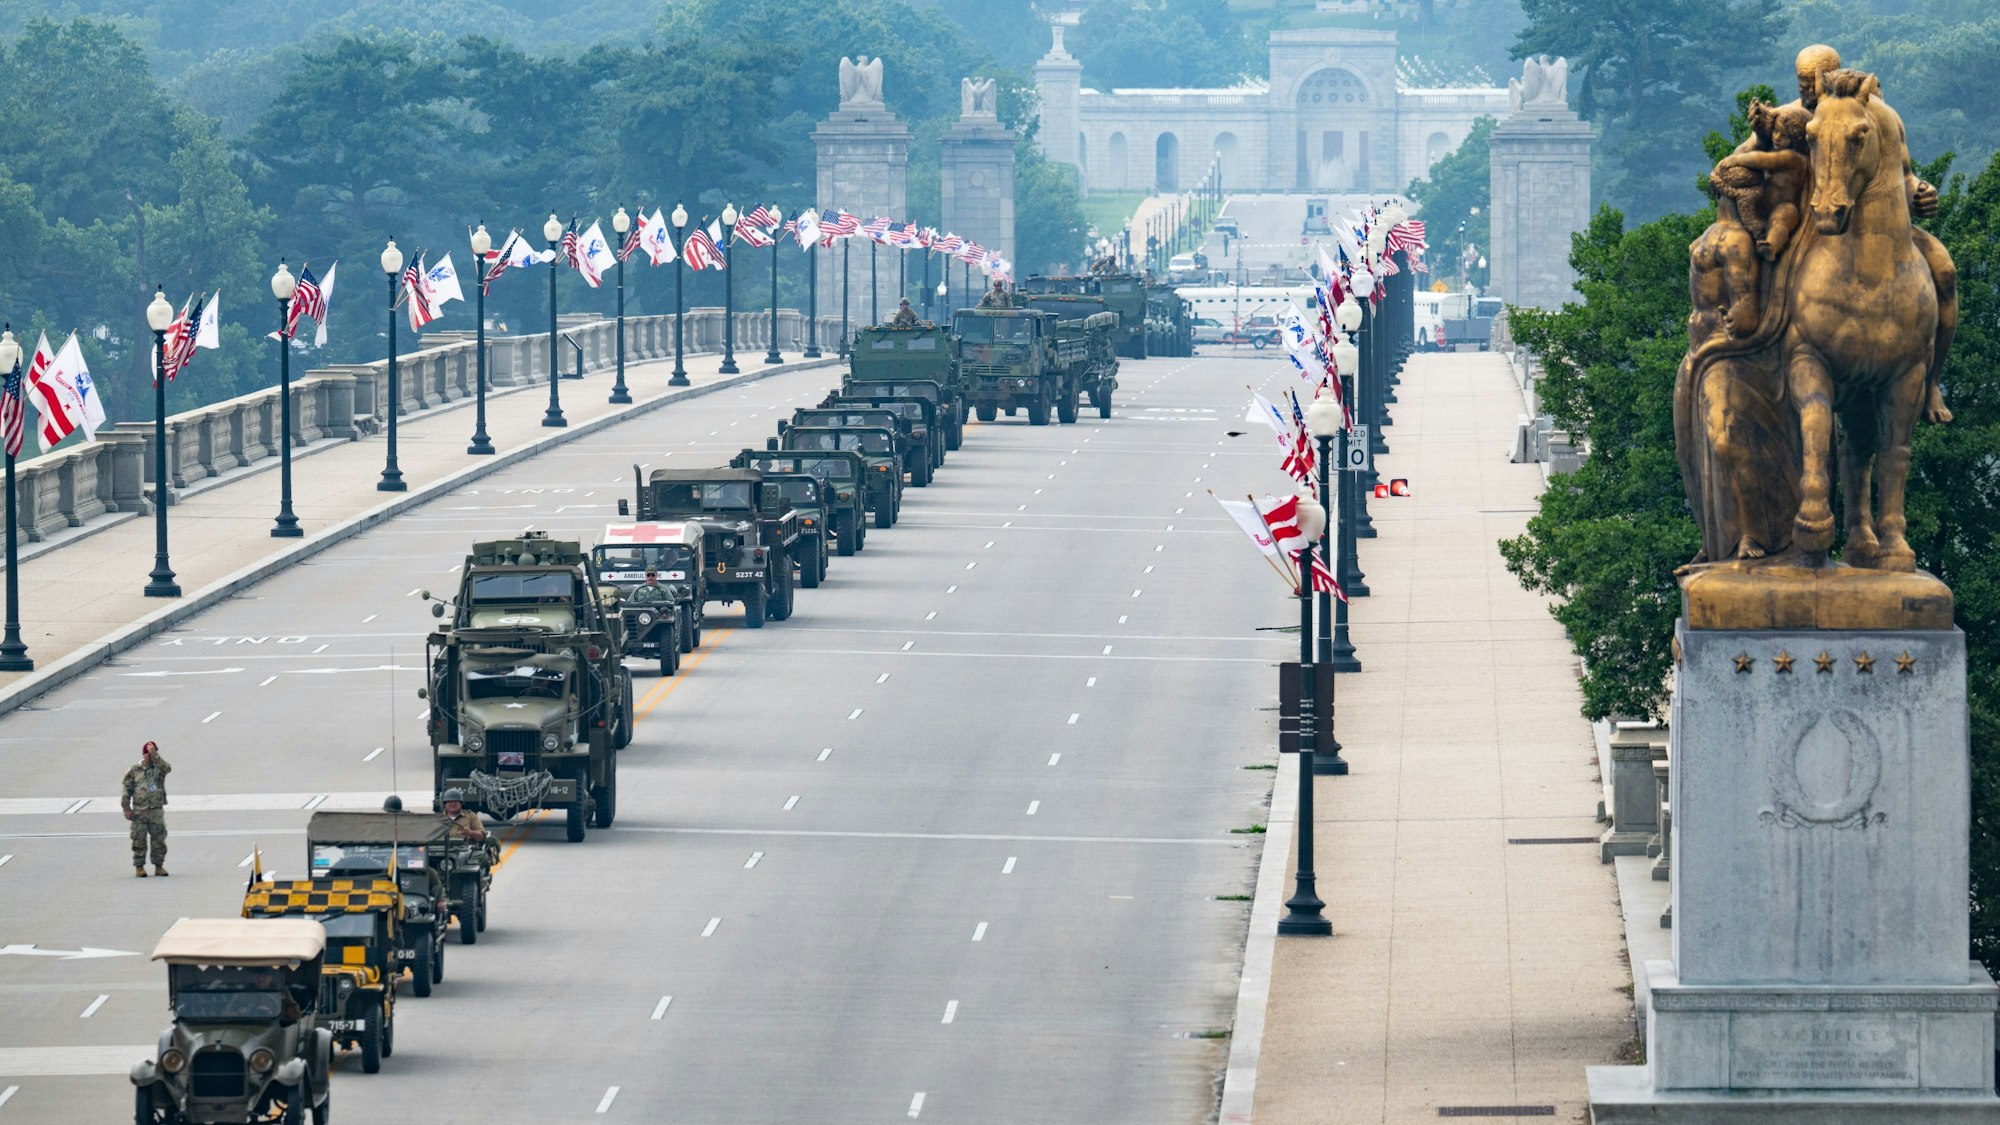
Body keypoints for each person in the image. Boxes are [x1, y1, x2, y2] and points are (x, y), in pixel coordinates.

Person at [121, 741, 171, 877]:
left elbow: (167, 768)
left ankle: (159, 866)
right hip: (139, 810)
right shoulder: (134, 770)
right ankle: (139, 867)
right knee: (139, 839)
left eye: (152, 753)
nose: (149, 755)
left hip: (155, 810)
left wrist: (155, 754)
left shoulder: (159, 769)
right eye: (148, 753)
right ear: (143, 754)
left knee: (159, 839)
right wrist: (126, 808)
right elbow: (127, 789)